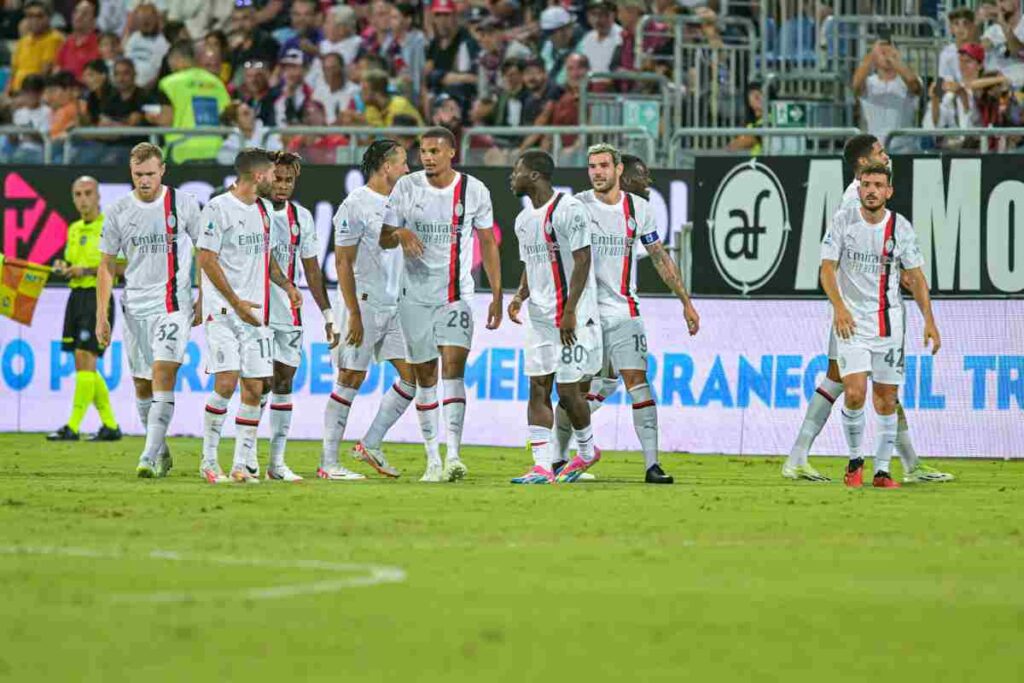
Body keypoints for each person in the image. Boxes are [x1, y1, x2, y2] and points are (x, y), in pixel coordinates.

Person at [782, 135, 955, 483]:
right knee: (856, 385)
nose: (886, 156)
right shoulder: (853, 204)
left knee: (846, 382)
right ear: (863, 165)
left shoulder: (871, 200)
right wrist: (845, 304)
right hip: (853, 311)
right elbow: (839, 259)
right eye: (879, 152)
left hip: (868, 310)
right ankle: (901, 464)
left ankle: (803, 456)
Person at [556, 144, 699, 484]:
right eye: (592, 166)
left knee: (638, 382)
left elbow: (659, 256)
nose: (597, 172)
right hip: (586, 314)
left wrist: (685, 301)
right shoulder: (575, 206)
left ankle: (652, 465)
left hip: (624, 311)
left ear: (618, 169)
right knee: (576, 391)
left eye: (604, 165)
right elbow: (553, 253)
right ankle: (557, 459)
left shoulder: (640, 208)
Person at [379, 127, 503, 482]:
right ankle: (432, 458)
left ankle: (454, 455)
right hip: (414, 297)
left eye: (434, 151)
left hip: (455, 295)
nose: (427, 157)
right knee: (425, 376)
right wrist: (400, 233)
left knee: (453, 367)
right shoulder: (406, 187)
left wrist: (497, 294)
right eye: (423, 151)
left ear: (452, 152)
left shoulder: (474, 190)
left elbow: (488, 242)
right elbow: (384, 239)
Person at [820, 163, 941, 488]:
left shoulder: (901, 228)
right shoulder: (843, 221)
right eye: (866, 184)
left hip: (889, 325)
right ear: (859, 189)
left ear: (889, 191)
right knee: (854, 393)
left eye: (878, 185)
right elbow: (827, 269)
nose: (871, 190)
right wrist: (839, 308)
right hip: (852, 325)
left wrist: (929, 321)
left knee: (886, 399)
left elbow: (916, 277)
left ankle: (883, 471)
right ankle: (855, 461)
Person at [95, 143, 203, 477]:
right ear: (131, 172)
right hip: (134, 308)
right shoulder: (118, 210)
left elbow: (205, 251)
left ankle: (146, 456)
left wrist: (204, 295)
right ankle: (161, 450)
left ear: (163, 171)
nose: (144, 180)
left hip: (173, 304)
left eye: (150, 174)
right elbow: (106, 266)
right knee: (142, 386)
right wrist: (102, 315)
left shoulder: (183, 204)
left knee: (163, 373)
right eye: (138, 174)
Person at [196, 148, 303, 485]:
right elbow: (206, 259)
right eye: (272, 174)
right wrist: (235, 301)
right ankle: (209, 461)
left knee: (255, 389)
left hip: (256, 316)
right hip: (224, 313)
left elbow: (267, 257)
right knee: (226, 383)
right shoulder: (217, 208)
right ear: (258, 176)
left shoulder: (264, 210)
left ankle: (241, 464)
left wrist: (287, 285)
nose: (276, 179)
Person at [321, 139, 417, 481]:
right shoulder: (355, 204)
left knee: (413, 377)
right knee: (350, 378)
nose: (408, 169)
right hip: (361, 304)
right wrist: (354, 314)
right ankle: (328, 462)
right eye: (403, 163)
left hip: (394, 306)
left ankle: (370, 443)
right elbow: (342, 263)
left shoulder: (402, 203)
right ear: (386, 167)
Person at [506, 150, 602, 485]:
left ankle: (587, 451)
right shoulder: (523, 220)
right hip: (539, 317)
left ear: (534, 175)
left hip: (570, 316)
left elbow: (583, 259)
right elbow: (531, 265)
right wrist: (520, 296)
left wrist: (571, 311)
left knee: (568, 391)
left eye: (517, 170)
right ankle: (542, 466)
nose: (512, 176)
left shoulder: (569, 209)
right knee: (537, 386)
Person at [260, 151, 336, 482]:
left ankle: (276, 463)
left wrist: (328, 314)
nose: (282, 185)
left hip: (289, 314)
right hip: (256, 311)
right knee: (257, 383)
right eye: (277, 179)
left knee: (283, 382)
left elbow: (312, 270)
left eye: (288, 180)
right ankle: (244, 458)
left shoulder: (301, 217)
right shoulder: (252, 211)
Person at [47, 176, 122, 444]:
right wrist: (63, 266)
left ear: (99, 196)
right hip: (76, 297)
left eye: (88, 193)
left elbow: (122, 266)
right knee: (84, 363)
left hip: (97, 297)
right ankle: (110, 426)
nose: (83, 199)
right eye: (78, 194)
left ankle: (73, 426)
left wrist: (87, 271)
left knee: (84, 357)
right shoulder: (74, 228)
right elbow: (71, 261)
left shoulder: (109, 227)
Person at [153, 40, 231, 164]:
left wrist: (153, 118)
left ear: (177, 58)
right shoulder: (216, 82)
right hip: (215, 150)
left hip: (181, 150)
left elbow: (166, 121)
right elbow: (227, 116)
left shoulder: (168, 83)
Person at [852, 40, 922, 154]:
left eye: (890, 51)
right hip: (875, 152)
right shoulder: (869, 83)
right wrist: (871, 56)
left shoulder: (906, 81)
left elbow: (914, 84)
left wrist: (896, 62)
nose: (886, 56)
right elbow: (856, 85)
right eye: (883, 52)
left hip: (905, 150)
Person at [7, 0, 64, 95]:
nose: (34, 20)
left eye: (39, 16)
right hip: (15, 93)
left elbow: (44, 74)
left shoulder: (54, 39)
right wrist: (6, 94)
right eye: (30, 16)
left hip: (34, 93)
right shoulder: (23, 41)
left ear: (49, 18)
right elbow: (13, 74)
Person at [123, 2, 169, 89]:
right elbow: (126, 62)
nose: (145, 22)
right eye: (141, 19)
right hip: (128, 86)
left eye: (148, 18)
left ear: (156, 19)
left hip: (148, 89)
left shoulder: (162, 42)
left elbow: (159, 74)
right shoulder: (133, 38)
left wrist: (143, 91)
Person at [56, 0, 99, 81]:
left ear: (94, 21)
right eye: (76, 11)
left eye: (85, 13)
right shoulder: (66, 43)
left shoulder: (99, 45)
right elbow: (57, 71)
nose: (78, 16)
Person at [939, 7, 981, 84]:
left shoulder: (982, 50)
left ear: (972, 27)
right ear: (951, 29)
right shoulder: (946, 54)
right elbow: (946, 82)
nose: (961, 28)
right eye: (956, 24)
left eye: (965, 23)